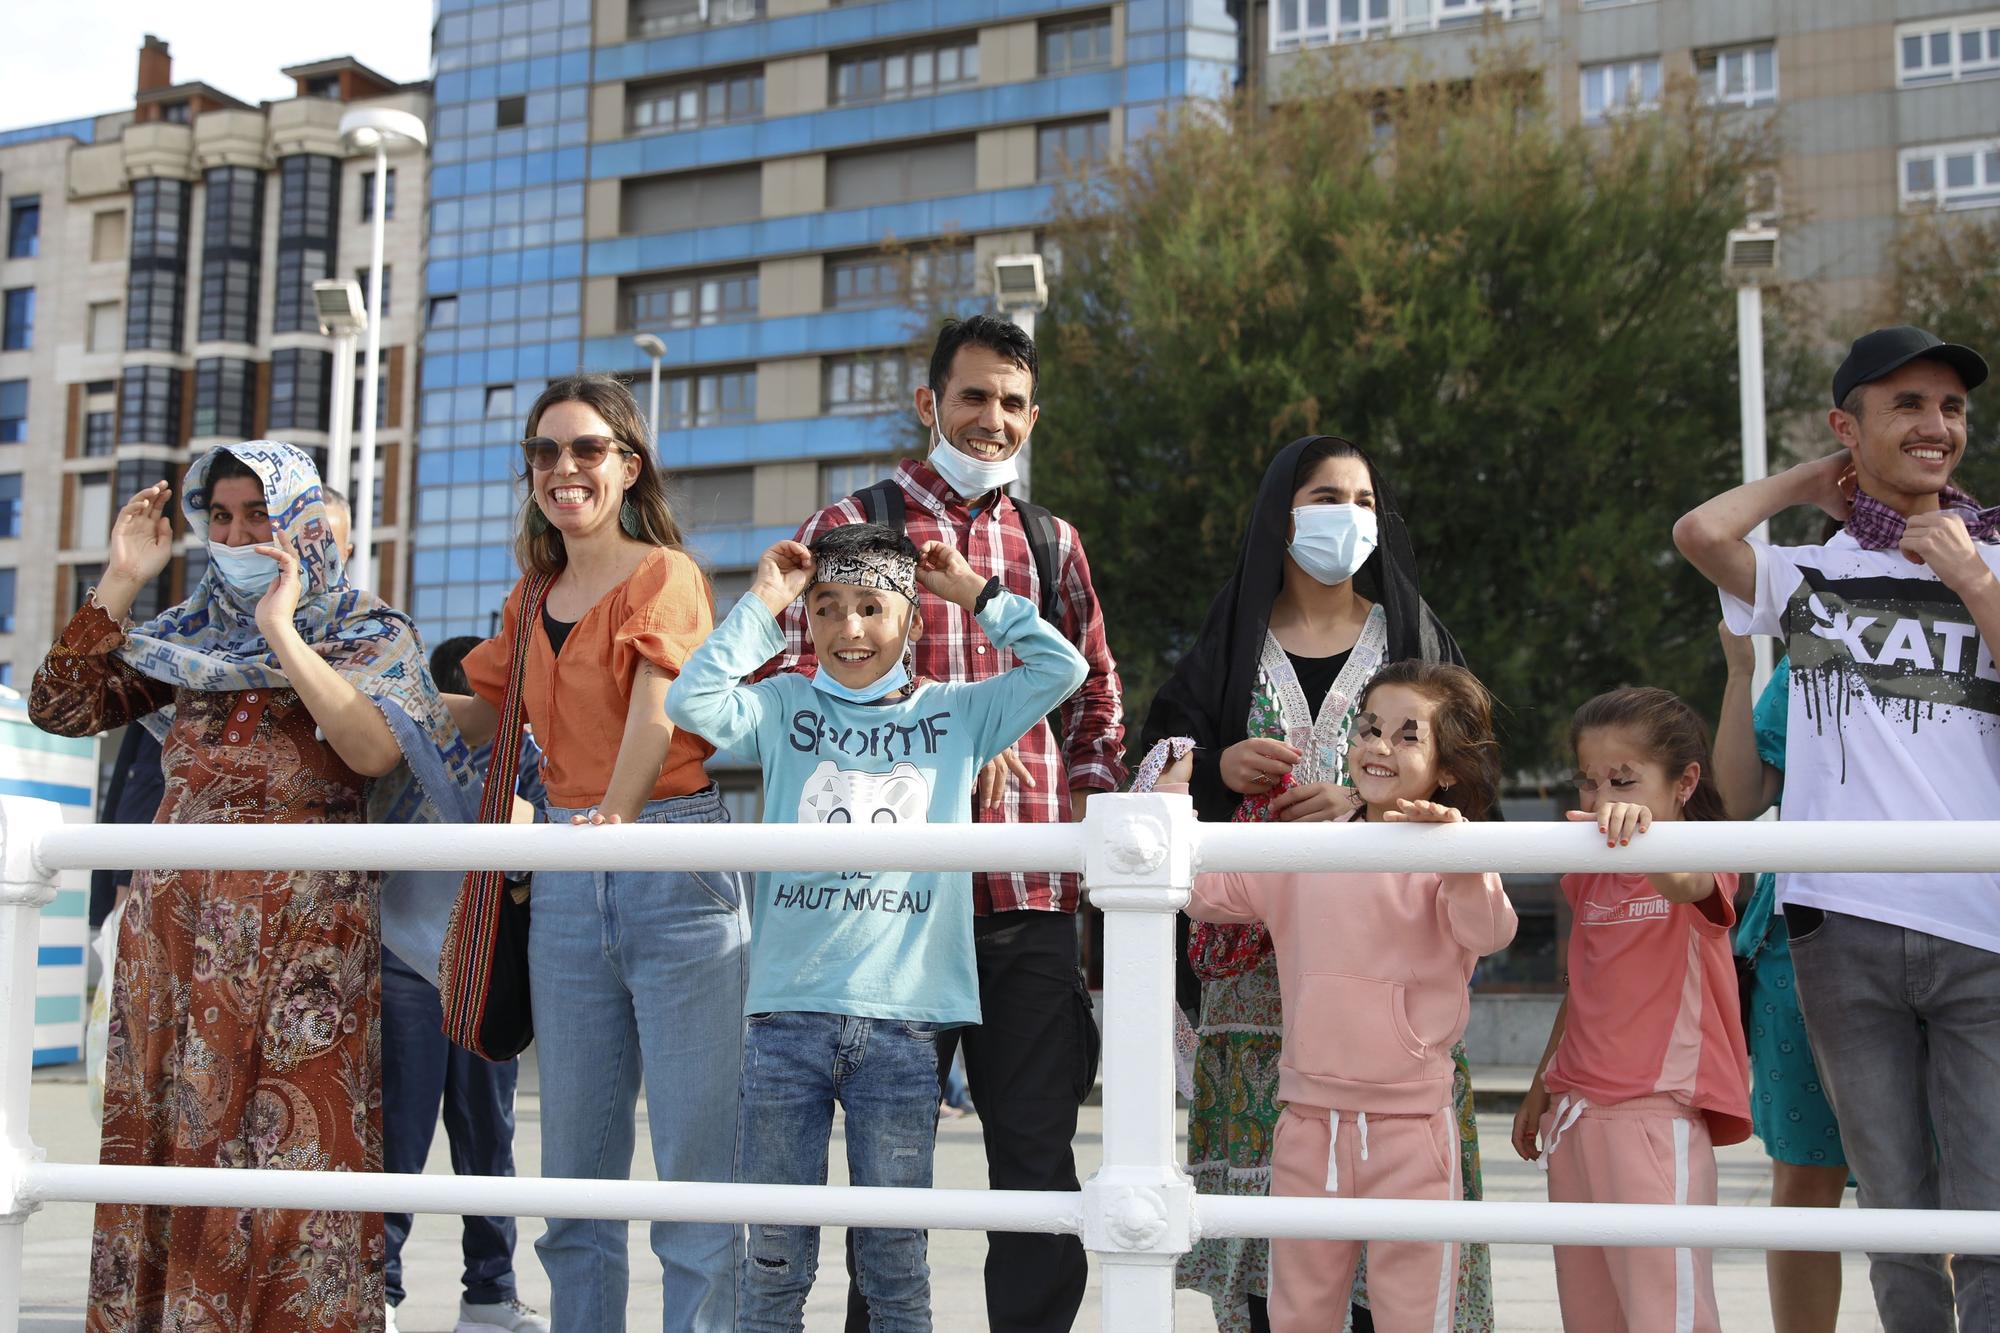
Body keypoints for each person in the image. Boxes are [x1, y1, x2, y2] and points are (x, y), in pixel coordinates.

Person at [30, 440, 478, 1332]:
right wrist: (121, 578)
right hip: (176, 936)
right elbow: (60, 706)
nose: (237, 535)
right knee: (168, 1139)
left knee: (291, 1148)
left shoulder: (370, 631)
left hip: (306, 938)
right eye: (221, 517)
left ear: (304, 522)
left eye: (259, 516)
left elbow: (372, 751)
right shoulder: (185, 638)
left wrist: (282, 628)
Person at [776, 316, 1124, 1333]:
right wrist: (935, 739)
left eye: (1012, 403)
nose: (992, 420)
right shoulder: (856, 521)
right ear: (928, 403)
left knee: (1036, 1163)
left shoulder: (1052, 542)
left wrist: (1087, 801)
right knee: (888, 1179)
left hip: (1029, 898)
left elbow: (1094, 691)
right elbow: (802, 679)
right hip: (895, 904)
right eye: (972, 397)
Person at [666, 524, 1088, 1331]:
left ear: (913, 619)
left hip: (906, 1023)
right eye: (828, 609)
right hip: (786, 1013)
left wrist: (973, 593)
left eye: (871, 606)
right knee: (773, 1259)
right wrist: (764, 601)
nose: (850, 628)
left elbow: (1061, 668)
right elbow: (692, 701)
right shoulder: (786, 703)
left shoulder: (957, 712)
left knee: (895, 1261)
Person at [1674, 324, 1998, 1331]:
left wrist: (1974, 581)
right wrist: (1805, 482)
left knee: (1985, 1214)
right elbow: (1697, 534)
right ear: (1845, 427)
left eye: (1947, 406)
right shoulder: (1808, 570)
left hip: (1980, 924)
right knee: (1893, 1210)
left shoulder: (1994, 555)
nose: (1933, 425)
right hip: (1837, 925)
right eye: (1903, 404)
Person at [1139, 435, 1489, 1333]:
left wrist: (1364, 814)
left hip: (1389, 1002)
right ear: (1280, 512)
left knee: (1399, 1264)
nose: (1351, 515)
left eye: (1366, 499)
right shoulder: (1230, 638)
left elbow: (1462, 771)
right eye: (1327, 496)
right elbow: (1158, 776)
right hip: (1255, 994)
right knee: (1279, 1258)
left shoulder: (1411, 632)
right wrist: (1220, 765)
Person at [443, 373, 749, 1332]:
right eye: (545, 451)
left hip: (670, 857)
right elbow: (480, 715)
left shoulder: (666, 576)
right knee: (574, 1177)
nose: (564, 467)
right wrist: (349, 686)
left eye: (586, 449)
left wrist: (612, 823)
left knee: (698, 1172)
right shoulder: (530, 598)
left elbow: (656, 718)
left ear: (628, 464)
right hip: (575, 872)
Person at [1156, 660, 1515, 1333]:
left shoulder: (1453, 851)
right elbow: (1202, 890)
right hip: (1308, 1119)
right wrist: (1174, 794)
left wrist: (1463, 857)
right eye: (1371, 728)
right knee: (1300, 1312)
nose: (1380, 746)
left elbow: (1490, 930)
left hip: (1411, 1127)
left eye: (1409, 736)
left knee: (1414, 1313)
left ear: (1446, 766)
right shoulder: (1306, 847)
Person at [1513, 687, 1751, 1333]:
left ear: (1684, 782)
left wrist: (1651, 842)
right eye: (1588, 782)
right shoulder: (1589, 867)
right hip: (1575, 1115)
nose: (1601, 798)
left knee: (1666, 1313)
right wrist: (1541, 1084)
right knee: (1591, 1314)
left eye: (1623, 779)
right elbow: (1583, 982)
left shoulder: (1702, 853)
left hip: (1656, 1115)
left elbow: (1689, 883)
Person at [378, 636, 549, 1333]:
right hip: (404, 961)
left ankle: (491, 1291)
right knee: (396, 1135)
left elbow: (541, 846)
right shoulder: (401, 748)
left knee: (489, 1138)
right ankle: (379, 1291)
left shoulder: (527, 753)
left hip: (486, 964)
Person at [1715, 627, 1849, 1333]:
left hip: (1951, 936)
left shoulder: (1973, 622)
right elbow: (1738, 799)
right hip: (1803, 944)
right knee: (1804, 1177)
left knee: (1941, 1192)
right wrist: (1740, 671)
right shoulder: (1819, 646)